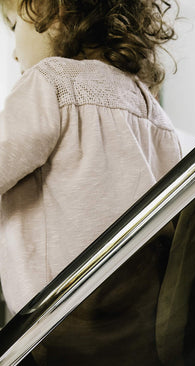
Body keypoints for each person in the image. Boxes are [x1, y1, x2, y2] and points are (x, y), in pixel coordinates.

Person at [0, 0, 182, 315]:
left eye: (15, 26)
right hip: (142, 316)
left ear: (54, 11)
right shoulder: (155, 114)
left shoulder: (50, 82)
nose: (14, 51)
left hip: (61, 320)